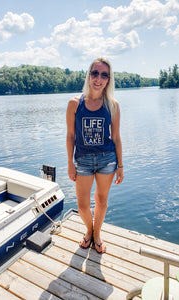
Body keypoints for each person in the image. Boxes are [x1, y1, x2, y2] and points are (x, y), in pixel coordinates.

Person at [66, 57, 124, 254]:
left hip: (107, 160)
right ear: (89, 75)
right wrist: (69, 163)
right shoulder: (75, 103)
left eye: (104, 74)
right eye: (95, 73)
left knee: (101, 200)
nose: (98, 78)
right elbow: (71, 136)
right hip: (82, 160)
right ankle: (89, 230)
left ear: (108, 79)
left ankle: (96, 235)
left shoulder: (112, 105)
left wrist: (121, 166)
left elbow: (116, 137)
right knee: (82, 204)